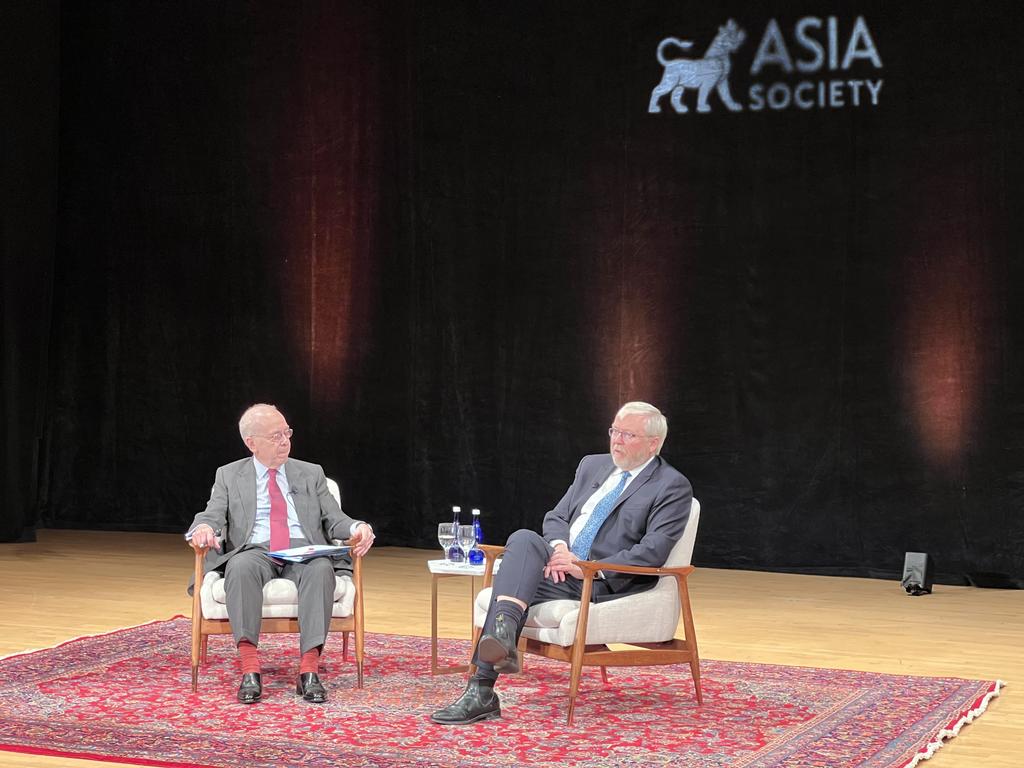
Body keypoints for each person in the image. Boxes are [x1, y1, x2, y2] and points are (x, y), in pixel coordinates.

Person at [431, 401, 693, 724]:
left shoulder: (671, 485)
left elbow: (652, 550)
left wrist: (583, 566)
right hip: (561, 565)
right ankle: (500, 644)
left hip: (599, 578)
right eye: (614, 430)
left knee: (508, 587)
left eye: (628, 435)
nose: (617, 440)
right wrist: (559, 550)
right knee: (524, 538)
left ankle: (481, 689)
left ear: (654, 443)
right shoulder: (592, 466)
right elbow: (556, 517)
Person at [187, 403, 375, 704]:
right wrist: (203, 529)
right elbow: (211, 514)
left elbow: (335, 518)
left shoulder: (311, 473)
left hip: (303, 549)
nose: (285, 441)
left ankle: (309, 672)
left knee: (321, 568)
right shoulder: (229, 475)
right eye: (275, 436)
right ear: (252, 443)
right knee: (240, 566)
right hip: (255, 549)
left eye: (286, 432)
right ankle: (250, 669)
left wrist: (358, 526)